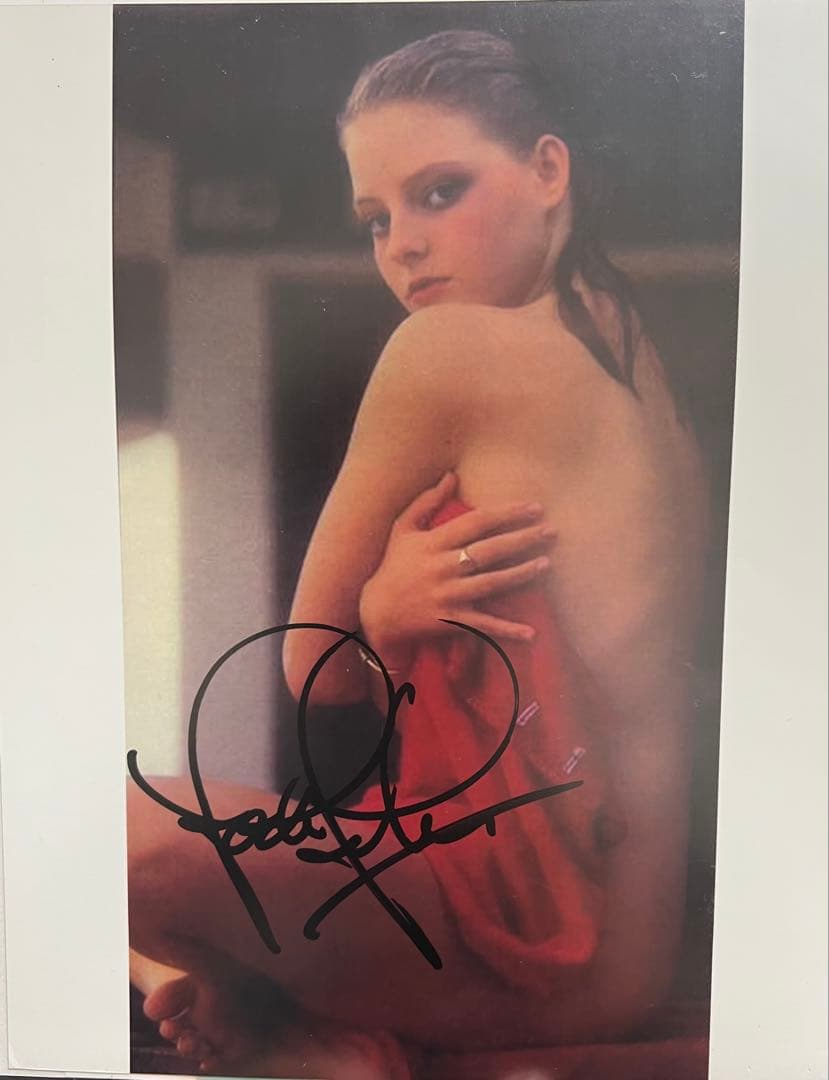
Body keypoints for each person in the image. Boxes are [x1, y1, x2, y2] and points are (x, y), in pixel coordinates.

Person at [127, 29, 709, 1078]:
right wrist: (396, 626)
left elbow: (312, 669)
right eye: (376, 218)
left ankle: (286, 1025)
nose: (401, 245)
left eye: (440, 193)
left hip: (523, 942)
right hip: (627, 951)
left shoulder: (446, 349)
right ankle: (289, 1019)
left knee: (93, 829)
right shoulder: (642, 369)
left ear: (548, 170)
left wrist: (380, 619)